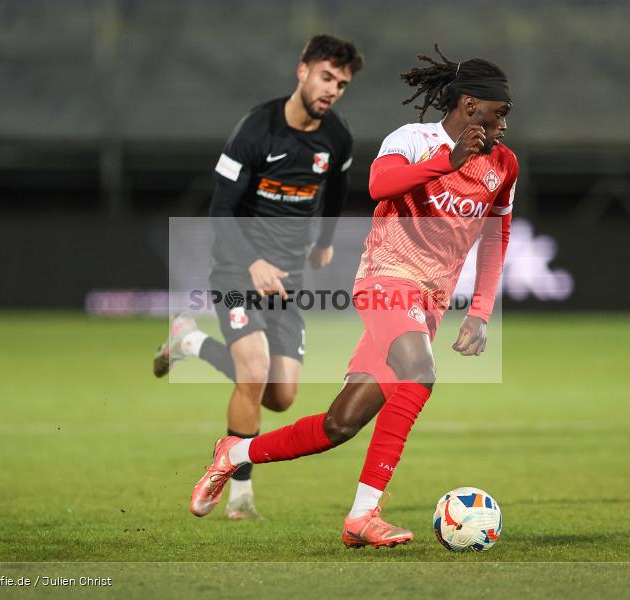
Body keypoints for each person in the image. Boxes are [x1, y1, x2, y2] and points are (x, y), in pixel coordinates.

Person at [188, 45, 518, 547]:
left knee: (339, 425)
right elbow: (380, 184)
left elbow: (497, 236)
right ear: (470, 105)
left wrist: (481, 310)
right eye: (500, 112)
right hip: (386, 279)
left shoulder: (504, 165)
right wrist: (447, 161)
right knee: (419, 373)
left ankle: (233, 454)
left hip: (429, 302)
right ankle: (363, 516)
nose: (504, 125)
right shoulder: (414, 140)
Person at [153, 34, 363, 520]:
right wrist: (252, 262)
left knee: (281, 397)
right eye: (325, 77)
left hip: (288, 278)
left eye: (341, 84)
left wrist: (326, 240)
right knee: (252, 373)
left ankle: (190, 342)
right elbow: (220, 210)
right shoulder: (255, 130)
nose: (331, 90)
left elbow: (337, 188)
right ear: (302, 71)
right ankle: (239, 494)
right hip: (237, 268)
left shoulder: (337, 137)